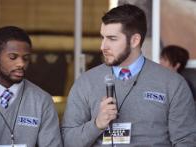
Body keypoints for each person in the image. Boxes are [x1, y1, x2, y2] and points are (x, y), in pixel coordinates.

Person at [61, 4, 196, 147]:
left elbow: (185, 141)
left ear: (134, 40)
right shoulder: (86, 82)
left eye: (112, 38)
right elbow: (68, 141)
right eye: (103, 37)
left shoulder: (173, 84)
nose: (103, 46)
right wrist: (97, 124)